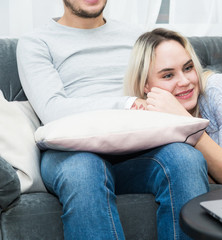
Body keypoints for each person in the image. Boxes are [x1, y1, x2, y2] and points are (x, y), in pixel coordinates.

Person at [16, 1, 211, 240]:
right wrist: (127, 104)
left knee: (185, 158)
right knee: (84, 170)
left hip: (135, 149)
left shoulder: (137, 36)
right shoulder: (36, 42)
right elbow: (51, 109)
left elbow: (175, 74)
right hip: (70, 152)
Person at [123, 28, 222, 186]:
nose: (185, 81)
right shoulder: (149, 114)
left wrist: (189, 125)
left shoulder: (218, 89)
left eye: (188, 68)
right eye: (168, 75)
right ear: (145, 86)